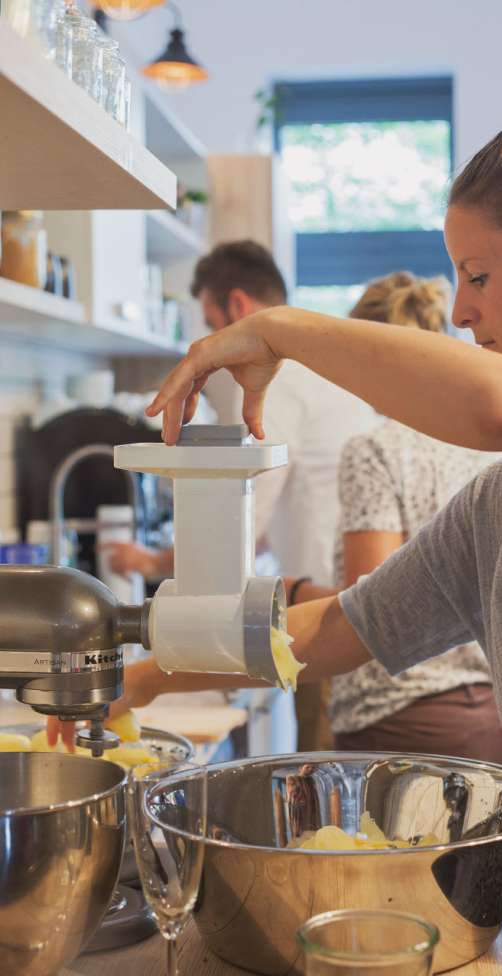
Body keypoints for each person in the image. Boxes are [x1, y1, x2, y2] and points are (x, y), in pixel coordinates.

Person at [139, 93, 502, 975]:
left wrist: (274, 329)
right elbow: (335, 629)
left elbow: (493, 401)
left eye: (479, 276)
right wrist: (136, 678)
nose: (459, 310)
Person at [104, 239, 378, 749]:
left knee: (326, 782)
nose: (212, 340)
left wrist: (150, 564)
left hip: (329, 620)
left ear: (237, 307)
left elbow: (238, 524)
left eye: (212, 324)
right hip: (346, 606)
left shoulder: (280, 384)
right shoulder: (316, 375)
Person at [322, 271, 502, 762]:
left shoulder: (375, 451)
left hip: (396, 719)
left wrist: (294, 594)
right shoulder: (490, 446)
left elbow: (372, 604)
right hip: (492, 712)